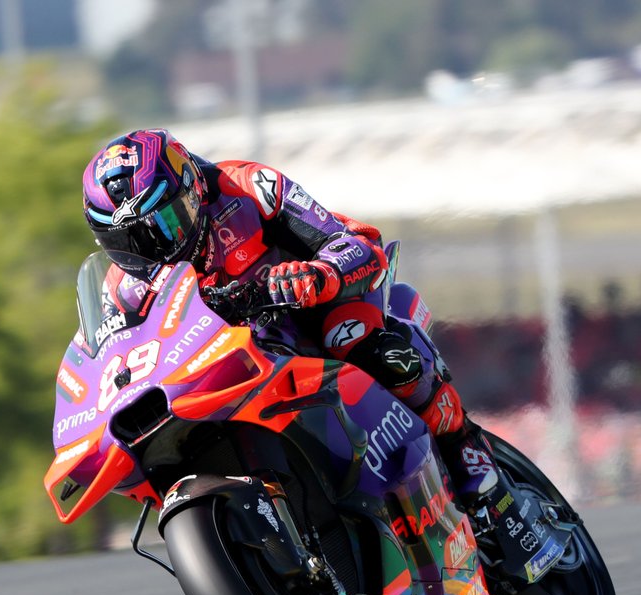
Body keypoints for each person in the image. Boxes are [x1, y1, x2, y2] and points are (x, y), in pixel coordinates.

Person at [81, 128, 500, 508]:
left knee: (360, 344)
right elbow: (120, 359)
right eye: (128, 242)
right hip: (234, 362)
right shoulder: (121, 289)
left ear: (190, 189)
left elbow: (352, 242)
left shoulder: (245, 187)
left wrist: (317, 274)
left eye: (163, 224)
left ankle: (466, 449)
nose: (153, 247)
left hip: (316, 309)